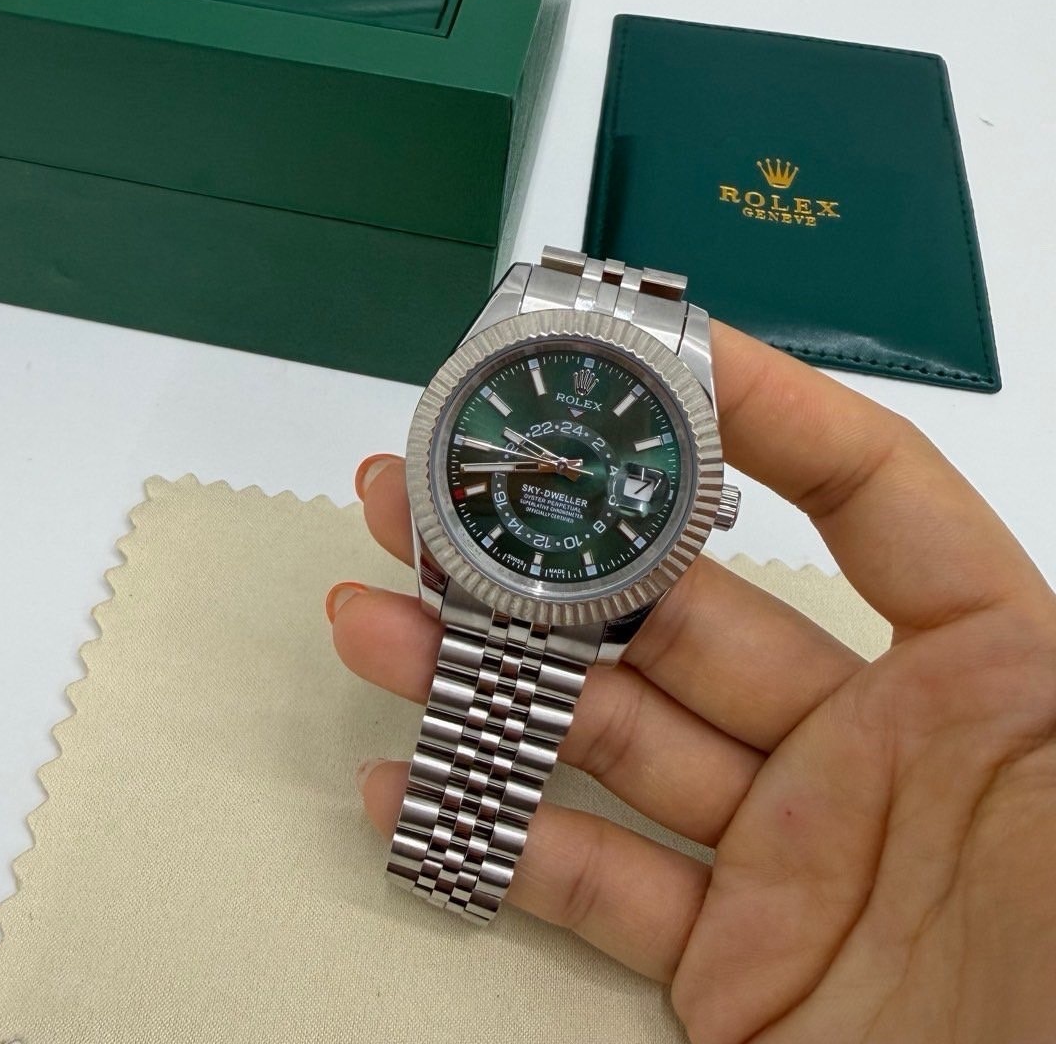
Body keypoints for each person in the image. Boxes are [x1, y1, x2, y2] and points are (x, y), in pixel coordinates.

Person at [325, 322, 1056, 1043]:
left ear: (707, 507)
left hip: (579, 587)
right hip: (491, 559)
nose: (567, 469)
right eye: (552, 461)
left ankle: (453, 857)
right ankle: (453, 852)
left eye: (574, 468)